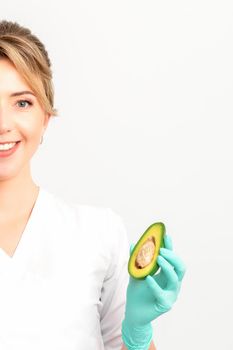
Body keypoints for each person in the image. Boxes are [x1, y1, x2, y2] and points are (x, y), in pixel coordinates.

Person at [0, 20, 186, 350]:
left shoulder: (97, 233)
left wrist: (137, 334)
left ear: (45, 117)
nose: (3, 124)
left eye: (22, 102)